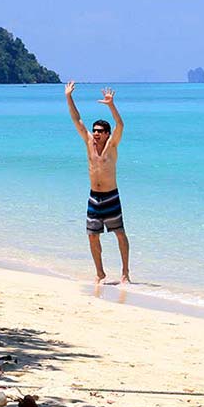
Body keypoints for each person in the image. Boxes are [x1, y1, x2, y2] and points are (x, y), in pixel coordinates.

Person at [65, 81, 131, 284]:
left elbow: (121, 125)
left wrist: (111, 105)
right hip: (94, 197)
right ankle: (100, 273)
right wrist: (68, 97)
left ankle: (125, 273)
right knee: (92, 236)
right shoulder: (88, 142)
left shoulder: (112, 145)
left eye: (100, 131)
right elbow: (77, 120)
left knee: (119, 233)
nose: (95, 133)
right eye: (95, 130)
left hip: (111, 196)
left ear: (107, 134)